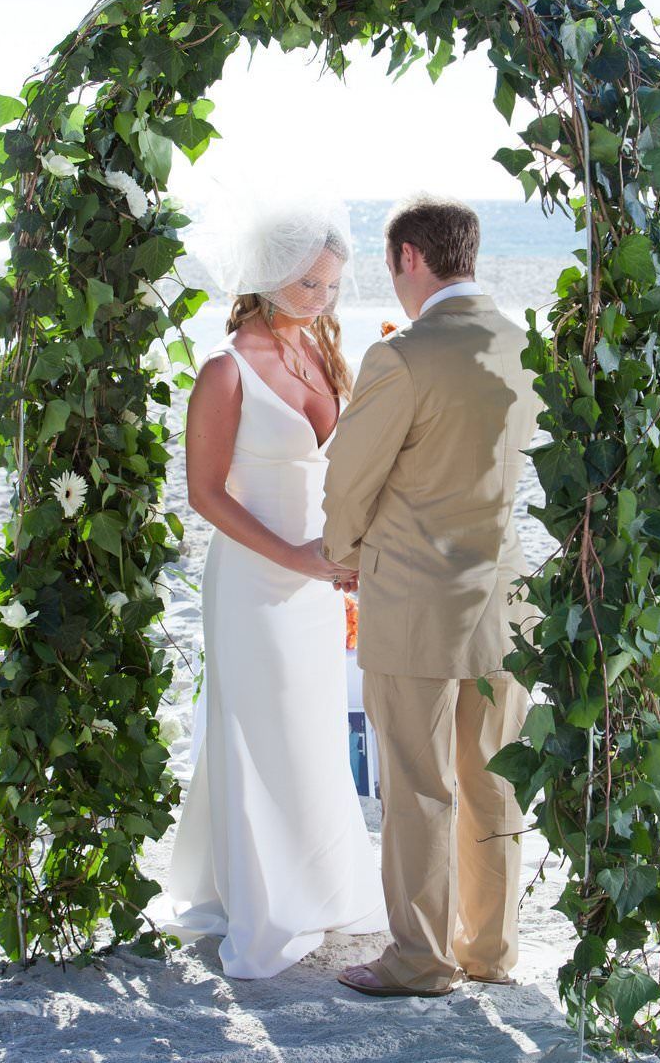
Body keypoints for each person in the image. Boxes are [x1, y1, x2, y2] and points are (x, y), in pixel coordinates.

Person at [148, 195, 387, 978]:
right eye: (308, 285)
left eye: (331, 286)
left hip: (320, 580)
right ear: (270, 276)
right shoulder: (225, 371)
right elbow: (205, 494)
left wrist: (346, 551)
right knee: (258, 734)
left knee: (313, 731)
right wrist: (294, 555)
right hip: (257, 578)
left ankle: (322, 888)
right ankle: (267, 903)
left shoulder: (323, 351)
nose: (321, 300)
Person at [320, 194, 540, 997]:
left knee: (416, 786)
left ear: (410, 257)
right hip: (508, 602)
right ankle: (489, 949)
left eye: (391, 265)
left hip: (415, 602)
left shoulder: (402, 357)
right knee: (494, 778)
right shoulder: (524, 347)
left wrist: (342, 554)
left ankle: (421, 960)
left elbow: (350, 480)